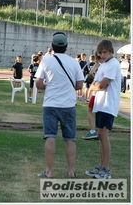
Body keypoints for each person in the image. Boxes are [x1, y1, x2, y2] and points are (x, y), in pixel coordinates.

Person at [35, 32, 84, 178]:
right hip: (68, 104)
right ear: (67, 46)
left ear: (52, 46)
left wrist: (48, 86)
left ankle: (49, 171)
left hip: (51, 103)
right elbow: (79, 84)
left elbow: (38, 83)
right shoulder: (74, 62)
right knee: (70, 139)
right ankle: (71, 171)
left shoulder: (46, 61)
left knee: (50, 137)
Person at [85, 40, 121, 179]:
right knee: (101, 134)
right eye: (100, 53)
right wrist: (95, 85)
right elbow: (97, 82)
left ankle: (105, 169)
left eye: (105, 52)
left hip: (108, 104)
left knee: (103, 135)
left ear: (111, 51)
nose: (102, 55)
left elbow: (101, 85)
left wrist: (92, 86)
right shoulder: (105, 64)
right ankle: (101, 166)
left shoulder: (113, 64)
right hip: (101, 104)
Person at [82, 54, 102, 140]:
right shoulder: (103, 65)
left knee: (90, 110)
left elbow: (91, 73)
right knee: (96, 110)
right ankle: (96, 131)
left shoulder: (102, 66)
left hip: (97, 92)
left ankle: (93, 131)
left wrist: (94, 82)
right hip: (99, 92)